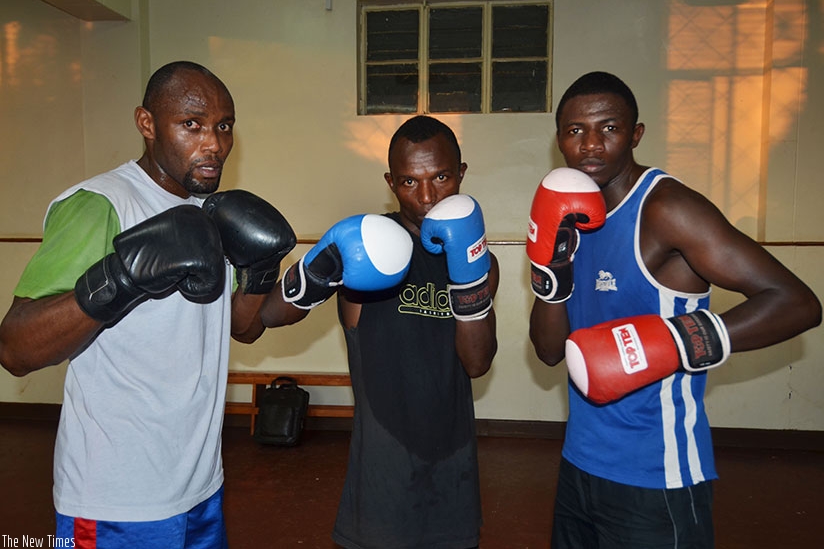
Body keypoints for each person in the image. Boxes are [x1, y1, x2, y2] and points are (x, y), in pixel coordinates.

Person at [0, 61, 296, 547]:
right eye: (192, 125)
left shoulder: (210, 211)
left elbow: (241, 328)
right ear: (147, 124)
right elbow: (15, 348)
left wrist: (262, 271)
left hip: (200, 485)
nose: (215, 144)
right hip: (114, 497)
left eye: (224, 126)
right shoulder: (102, 203)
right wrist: (122, 277)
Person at [527, 71, 821, 548]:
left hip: (657, 474)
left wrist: (674, 340)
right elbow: (547, 352)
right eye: (575, 131)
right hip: (579, 464)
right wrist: (551, 272)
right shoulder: (569, 217)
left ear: (636, 134)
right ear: (559, 139)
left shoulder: (666, 209)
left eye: (610, 128)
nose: (592, 145)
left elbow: (798, 302)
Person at [261, 115, 499, 549]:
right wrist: (321, 265)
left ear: (461, 173)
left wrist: (469, 281)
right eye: (409, 182)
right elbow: (271, 316)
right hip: (381, 478)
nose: (427, 196)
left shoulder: (476, 258)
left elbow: (477, 362)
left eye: (441, 177)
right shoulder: (368, 248)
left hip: (454, 471)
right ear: (391, 182)